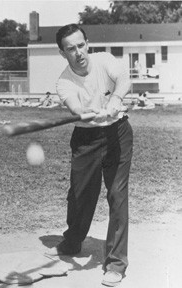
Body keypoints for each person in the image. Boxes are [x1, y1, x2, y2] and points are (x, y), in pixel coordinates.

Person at [51, 24, 133, 287]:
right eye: (71, 49)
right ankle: (73, 241)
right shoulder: (64, 81)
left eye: (81, 45)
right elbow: (74, 105)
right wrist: (82, 112)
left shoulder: (105, 60)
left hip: (117, 134)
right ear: (62, 53)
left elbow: (124, 80)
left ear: (88, 43)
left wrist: (115, 100)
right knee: (80, 193)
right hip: (85, 139)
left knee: (117, 195)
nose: (78, 53)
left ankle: (116, 263)